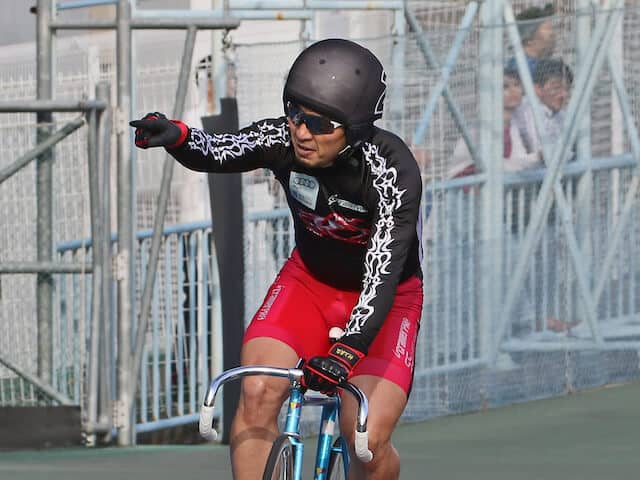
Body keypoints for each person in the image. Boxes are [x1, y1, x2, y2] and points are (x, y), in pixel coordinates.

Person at [130, 38, 423, 480]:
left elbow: (382, 274)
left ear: (356, 129)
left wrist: (346, 353)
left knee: (364, 438)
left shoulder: (390, 172)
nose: (302, 132)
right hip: (309, 283)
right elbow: (221, 149)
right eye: (295, 113)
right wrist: (177, 137)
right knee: (257, 392)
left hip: (385, 299)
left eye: (320, 124)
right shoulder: (283, 138)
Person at [506, 3, 556, 76]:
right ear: (529, 39)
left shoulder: (542, 66)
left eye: (552, 28)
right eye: (547, 28)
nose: (553, 34)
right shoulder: (521, 69)